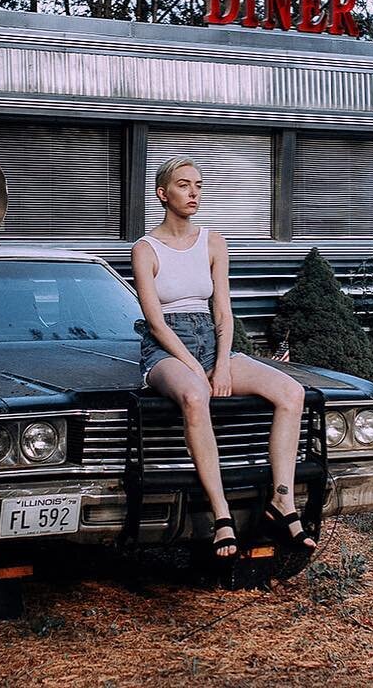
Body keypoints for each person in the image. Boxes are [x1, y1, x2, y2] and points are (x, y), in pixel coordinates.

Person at [131, 156, 316, 560]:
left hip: (212, 342)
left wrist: (223, 364)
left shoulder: (213, 241)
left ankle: (282, 501)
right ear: (163, 194)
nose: (194, 193)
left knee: (292, 392)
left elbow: (223, 311)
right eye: (183, 185)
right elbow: (156, 323)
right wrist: (195, 368)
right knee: (195, 395)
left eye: (198, 185)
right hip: (166, 349)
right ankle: (222, 516)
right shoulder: (145, 249)